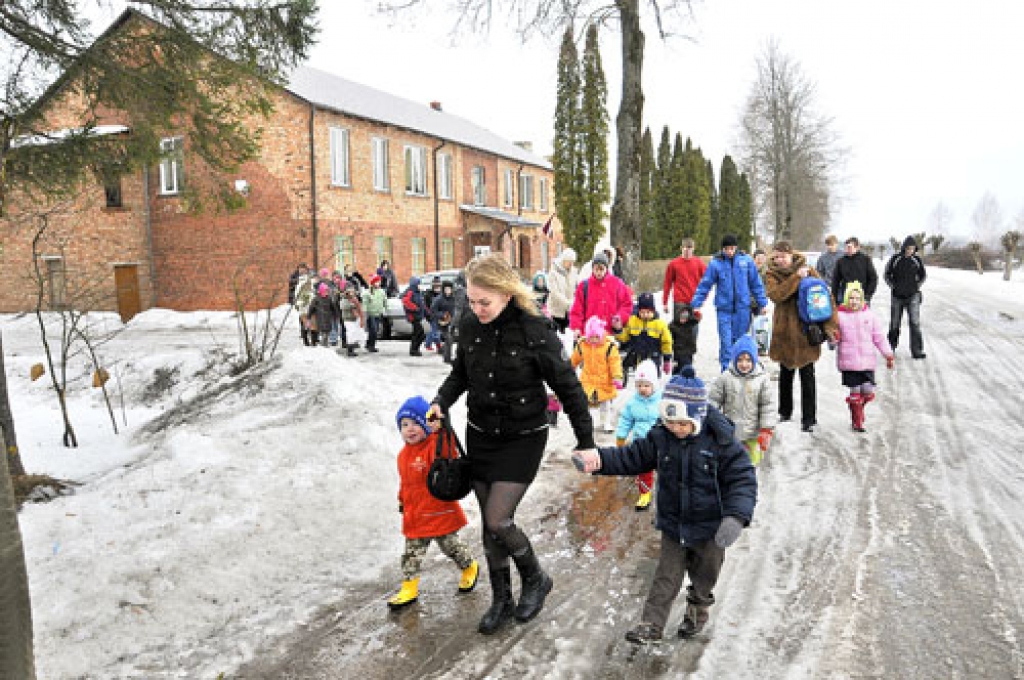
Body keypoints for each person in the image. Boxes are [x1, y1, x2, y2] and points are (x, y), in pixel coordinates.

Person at [425, 254, 596, 635]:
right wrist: (440, 402)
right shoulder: (470, 324)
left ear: (505, 294)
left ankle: (535, 579)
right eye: (471, 300)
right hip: (481, 434)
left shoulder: (534, 328)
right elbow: (459, 374)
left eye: (484, 301)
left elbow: (568, 386)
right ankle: (501, 598)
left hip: (523, 438)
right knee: (489, 528)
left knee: (498, 519)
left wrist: (585, 440)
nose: (476, 308)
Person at [571, 369, 757, 644]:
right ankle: (651, 624)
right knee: (665, 578)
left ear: (698, 416)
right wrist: (598, 459)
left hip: (711, 529)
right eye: (671, 422)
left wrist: (736, 517)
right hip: (674, 524)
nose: (677, 429)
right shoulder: (661, 437)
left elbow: (743, 480)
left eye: (683, 423)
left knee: (705, 577)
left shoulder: (721, 442)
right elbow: (630, 457)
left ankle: (697, 610)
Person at [388, 396, 479, 610]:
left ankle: (469, 567)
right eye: (404, 425)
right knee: (411, 555)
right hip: (416, 515)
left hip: (438, 512)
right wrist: (402, 500)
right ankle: (409, 588)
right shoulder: (403, 455)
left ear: (425, 426)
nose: (410, 429)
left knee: (452, 547)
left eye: (415, 424)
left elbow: (447, 449)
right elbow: (406, 483)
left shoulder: (433, 447)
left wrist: (439, 429)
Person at [764, 242, 839, 433]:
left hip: (807, 331)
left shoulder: (809, 270)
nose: (780, 260)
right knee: (785, 374)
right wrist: (796, 279)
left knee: (808, 376)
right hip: (784, 334)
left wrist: (831, 327)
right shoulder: (771, 274)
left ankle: (809, 419)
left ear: (791, 255)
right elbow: (776, 295)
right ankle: (785, 412)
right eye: (777, 256)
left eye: (784, 256)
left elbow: (825, 297)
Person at [690, 235, 769, 372]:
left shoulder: (746, 261)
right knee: (726, 343)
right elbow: (705, 284)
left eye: (732, 248)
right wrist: (697, 302)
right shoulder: (716, 264)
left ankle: (741, 372)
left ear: (736, 248)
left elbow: (756, 284)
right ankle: (726, 372)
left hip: (743, 310)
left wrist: (762, 303)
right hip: (724, 310)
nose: (730, 252)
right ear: (722, 249)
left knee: (741, 342)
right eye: (727, 249)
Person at [835, 282, 895, 432]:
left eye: (857, 298)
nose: (854, 301)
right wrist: (833, 337)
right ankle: (857, 421)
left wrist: (888, 354)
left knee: (867, 392)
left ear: (862, 299)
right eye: (851, 298)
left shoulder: (869, 316)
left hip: (867, 362)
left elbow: (879, 337)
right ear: (846, 299)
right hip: (849, 362)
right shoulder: (840, 316)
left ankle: (858, 407)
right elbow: (833, 338)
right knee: (855, 393)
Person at [708, 336, 776, 466]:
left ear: (754, 360)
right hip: (729, 436)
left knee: (748, 468)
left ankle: (748, 485)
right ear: (734, 360)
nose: (744, 364)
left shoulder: (762, 380)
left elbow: (768, 406)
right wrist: (711, 422)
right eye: (740, 360)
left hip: (752, 436)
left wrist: (766, 429)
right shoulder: (726, 377)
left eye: (748, 360)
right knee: (729, 467)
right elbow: (713, 400)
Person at [614, 360, 662, 510]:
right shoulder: (633, 402)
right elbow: (626, 419)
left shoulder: (662, 401)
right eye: (639, 385)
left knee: (665, 469)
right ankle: (645, 493)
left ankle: (667, 494)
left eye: (646, 385)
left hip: (660, 443)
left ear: (654, 385)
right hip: (641, 443)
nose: (642, 389)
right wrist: (621, 436)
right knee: (643, 470)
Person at [571, 316, 624, 433]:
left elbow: (615, 362)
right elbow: (574, 359)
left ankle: (606, 422)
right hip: (588, 380)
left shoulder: (609, 346)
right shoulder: (582, 345)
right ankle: (589, 422)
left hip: (604, 381)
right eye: (591, 337)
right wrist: (569, 369)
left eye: (596, 337)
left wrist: (617, 377)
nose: (594, 340)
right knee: (586, 403)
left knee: (605, 404)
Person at [569, 251, 633, 338]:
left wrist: (620, 317)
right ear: (592, 269)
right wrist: (577, 327)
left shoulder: (617, 284)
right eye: (596, 269)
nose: (599, 272)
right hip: (590, 335)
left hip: (609, 334)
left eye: (601, 269)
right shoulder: (583, 286)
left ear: (606, 268)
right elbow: (577, 309)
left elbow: (627, 304)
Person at [610, 292, 673, 379]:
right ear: (638, 311)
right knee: (640, 381)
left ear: (653, 311)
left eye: (648, 312)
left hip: (653, 358)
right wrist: (618, 330)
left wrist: (667, 359)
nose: (645, 315)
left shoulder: (660, 324)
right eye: (642, 312)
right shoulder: (632, 321)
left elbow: (667, 342)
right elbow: (624, 337)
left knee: (651, 381)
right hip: (638, 358)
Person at [883, 235, 927, 359]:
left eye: (912, 249)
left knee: (915, 323)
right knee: (894, 323)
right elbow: (886, 274)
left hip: (913, 296)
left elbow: (923, 275)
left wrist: (916, 286)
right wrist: (893, 286)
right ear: (904, 248)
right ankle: (890, 347)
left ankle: (917, 350)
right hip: (897, 297)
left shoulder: (917, 260)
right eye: (908, 248)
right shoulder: (895, 259)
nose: (910, 251)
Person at [661, 237, 707, 320]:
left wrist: (703, 298)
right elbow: (667, 284)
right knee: (681, 327)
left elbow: (707, 282)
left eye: (689, 248)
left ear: (693, 249)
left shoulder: (699, 263)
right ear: (681, 248)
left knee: (693, 328)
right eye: (685, 247)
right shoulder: (673, 264)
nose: (687, 250)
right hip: (680, 301)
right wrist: (665, 302)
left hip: (694, 301)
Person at [832, 236, 878, 305]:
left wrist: (868, 296)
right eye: (846, 247)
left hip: (862, 297)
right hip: (846, 298)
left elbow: (873, 278)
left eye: (850, 247)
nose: (847, 249)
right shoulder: (841, 261)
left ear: (857, 247)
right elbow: (836, 280)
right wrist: (834, 297)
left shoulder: (865, 260)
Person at [546, 248, 578, 333]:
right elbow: (555, 292)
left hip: (569, 311)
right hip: (556, 310)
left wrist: (574, 301)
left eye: (573, 262)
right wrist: (568, 302)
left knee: (567, 334)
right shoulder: (553, 273)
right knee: (556, 333)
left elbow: (576, 288)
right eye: (569, 262)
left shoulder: (574, 272)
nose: (571, 264)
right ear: (564, 260)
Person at [305, 282, 339, 348]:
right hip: (320, 319)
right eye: (325, 290)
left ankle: (324, 345)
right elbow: (311, 308)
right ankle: (323, 346)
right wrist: (308, 318)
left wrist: (336, 315)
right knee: (323, 333)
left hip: (328, 318)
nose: (326, 292)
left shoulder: (329, 298)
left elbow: (333, 308)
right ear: (321, 291)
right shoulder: (316, 299)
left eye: (327, 290)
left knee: (327, 332)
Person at [668, 304, 701, 373]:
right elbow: (669, 338)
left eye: (685, 317)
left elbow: (697, 319)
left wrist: (697, 314)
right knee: (677, 369)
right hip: (678, 352)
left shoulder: (690, 324)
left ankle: (686, 380)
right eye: (681, 317)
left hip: (688, 352)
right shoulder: (673, 326)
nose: (683, 319)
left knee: (687, 368)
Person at [400, 276, 427, 356]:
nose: (420, 286)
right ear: (415, 285)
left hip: (417, 316)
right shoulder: (410, 292)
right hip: (413, 316)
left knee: (418, 333)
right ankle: (414, 350)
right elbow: (405, 301)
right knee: (419, 333)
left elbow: (422, 305)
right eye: (419, 284)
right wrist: (415, 308)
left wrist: (426, 312)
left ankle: (414, 349)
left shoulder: (419, 293)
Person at [430, 280, 457, 359]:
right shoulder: (438, 299)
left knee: (451, 339)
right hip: (441, 322)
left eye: (449, 289)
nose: (448, 291)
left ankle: (442, 349)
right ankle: (447, 357)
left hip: (451, 322)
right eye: (446, 289)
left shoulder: (453, 298)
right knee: (449, 338)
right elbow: (433, 311)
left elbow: (455, 309)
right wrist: (442, 315)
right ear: (443, 289)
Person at [362, 275, 387, 353]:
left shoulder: (382, 291)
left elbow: (385, 301)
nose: (378, 283)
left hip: (378, 314)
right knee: (373, 330)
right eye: (376, 281)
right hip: (371, 314)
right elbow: (365, 303)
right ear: (373, 283)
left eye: (379, 281)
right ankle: (371, 346)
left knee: (376, 330)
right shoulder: (367, 292)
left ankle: (368, 343)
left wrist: (385, 310)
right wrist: (365, 313)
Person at [424, 278, 445, 352]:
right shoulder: (428, 295)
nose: (437, 288)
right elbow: (426, 306)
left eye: (439, 286)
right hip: (432, 316)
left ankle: (428, 344)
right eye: (436, 286)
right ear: (433, 286)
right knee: (436, 332)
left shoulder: (442, 294)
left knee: (434, 331)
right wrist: (429, 315)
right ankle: (439, 347)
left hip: (440, 316)